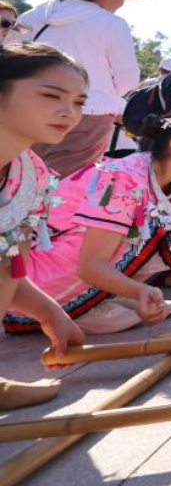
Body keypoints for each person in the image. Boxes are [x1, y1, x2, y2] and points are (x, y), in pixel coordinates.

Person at [5, 93, 171, 335]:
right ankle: (75, 307)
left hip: (64, 259)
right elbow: (90, 266)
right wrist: (139, 291)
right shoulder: (123, 179)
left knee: (154, 225)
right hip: (33, 277)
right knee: (146, 225)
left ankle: (104, 297)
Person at [0, 43, 87, 410]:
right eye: (52, 95)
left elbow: (8, 266)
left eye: (80, 102)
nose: (68, 112)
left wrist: (50, 312)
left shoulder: (29, 173)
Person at [11, 0, 142, 177]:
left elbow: (9, 60)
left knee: (21, 179)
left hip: (28, 110)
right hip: (87, 114)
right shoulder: (112, 24)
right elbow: (128, 80)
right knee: (65, 188)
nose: (122, 0)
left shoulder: (31, 17)